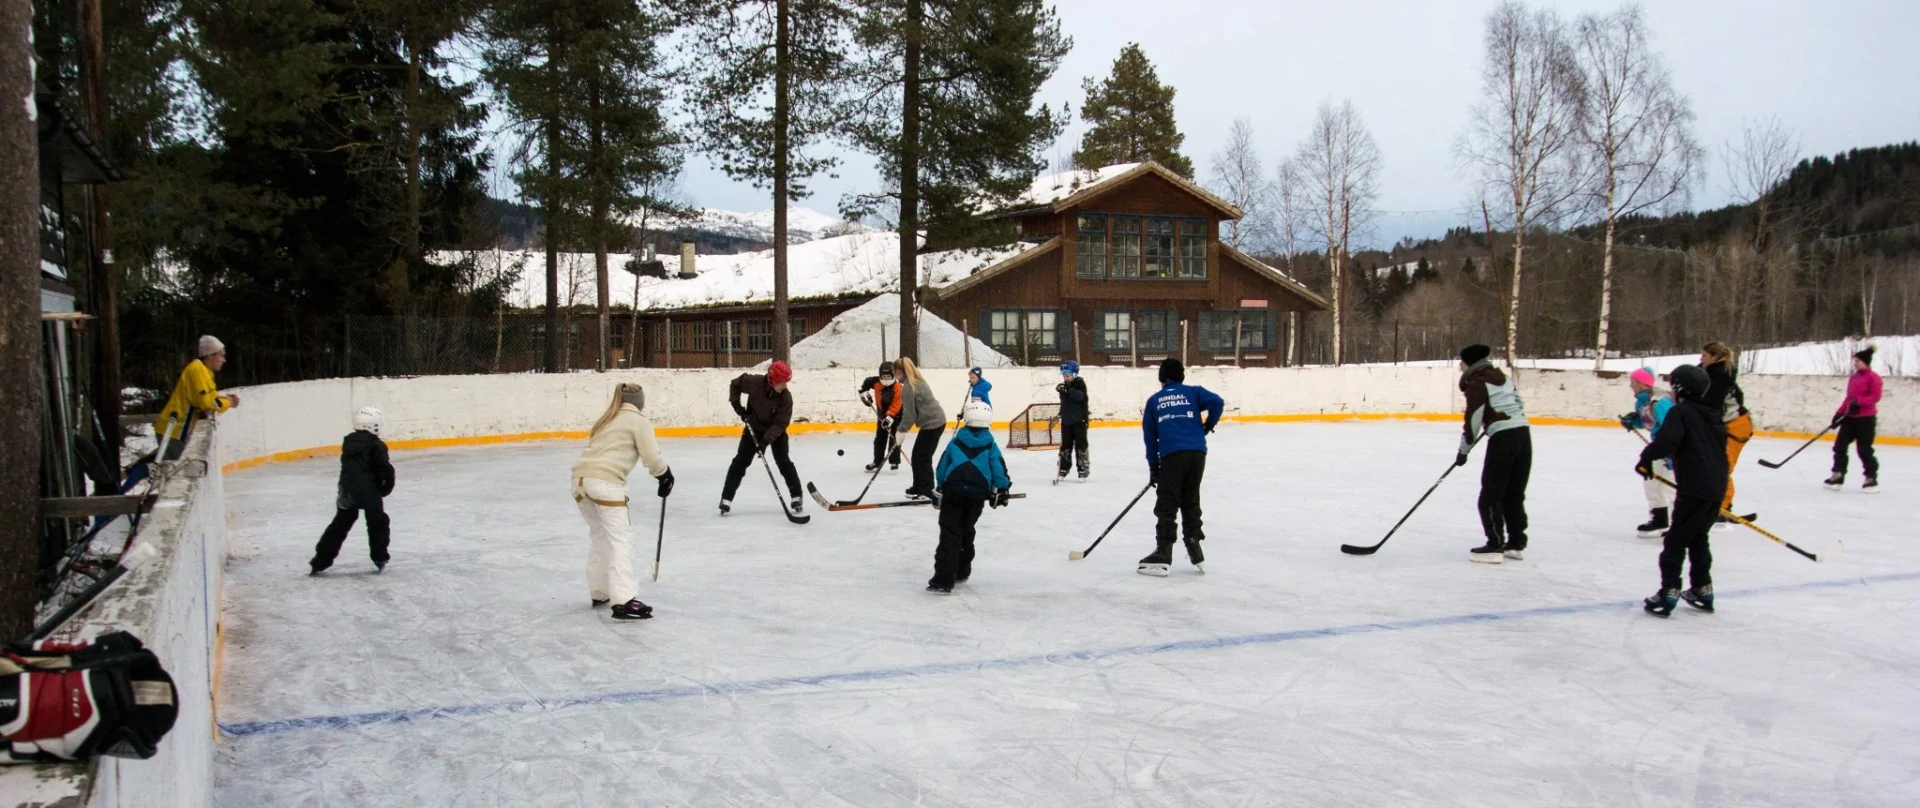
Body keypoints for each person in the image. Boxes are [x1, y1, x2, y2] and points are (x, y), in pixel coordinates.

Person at [571, 383, 673, 620]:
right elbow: (651, 456)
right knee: (620, 540)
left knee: (600, 535)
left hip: (579, 482)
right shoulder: (638, 421)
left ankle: (600, 591)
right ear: (640, 402)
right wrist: (664, 475)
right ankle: (624, 599)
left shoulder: (607, 419)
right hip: (605, 483)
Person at [1637, 364, 1728, 618]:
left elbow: (1667, 440)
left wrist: (1646, 459)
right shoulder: (1712, 414)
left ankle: (1668, 592)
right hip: (1715, 487)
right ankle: (1701, 588)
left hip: (1695, 488)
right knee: (1698, 537)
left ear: (1680, 388)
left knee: (1675, 540)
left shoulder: (1681, 413)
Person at [122, 335, 240, 492]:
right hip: (175, 429)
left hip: (175, 429)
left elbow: (209, 397)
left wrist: (224, 399)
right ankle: (127, 485)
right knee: (173, 468)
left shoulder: (204, 371)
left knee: (165, 461)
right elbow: (204, 402)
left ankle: (130, 474)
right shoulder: (197, 370)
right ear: (210, 355)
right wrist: (228, 403)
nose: (223, 360)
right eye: (221, 355)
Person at [1139, 358, 1223, 577]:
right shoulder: (1193, 392)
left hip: (1172, 455)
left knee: (1167, 503)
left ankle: (1163, 553)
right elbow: (1217, 402)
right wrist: (1208, 425)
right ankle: (1194, 545)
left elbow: (1150, 437)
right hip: (1197, 454)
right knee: (1190, 499)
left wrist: (1153, 466)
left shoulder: (1155, 401)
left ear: (1162, 378)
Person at [1457, 343, 1532, 563]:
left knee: (1490, 495)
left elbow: (1472, 422)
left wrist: (1463, 451)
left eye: (1462, 363)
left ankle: (1494, 545)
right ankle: (1516, 543)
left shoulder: (1477, 384)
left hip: (1503, 439)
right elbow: (1518, 403)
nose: (1460, 367)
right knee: (1513, 492)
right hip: (1523, 434)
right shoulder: (1503, 378)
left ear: (1469, 363)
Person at [927, 401, 1012, 594]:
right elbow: (999, 470)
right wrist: (1001, 489)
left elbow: (942, 466)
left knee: (950, 533)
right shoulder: (990, 444)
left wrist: (939, 487)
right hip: (976, 495)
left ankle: (943, 579)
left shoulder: (956, 440)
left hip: (953, 493)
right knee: (967, 529)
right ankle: (961, 570)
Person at [310, 407, 395, 575]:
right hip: (370, 491)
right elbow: (384, 469)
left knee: (339, 525)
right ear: (374, 425)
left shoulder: (348, 443)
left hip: (347, 491)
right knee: (378, 522)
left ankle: (320, 561)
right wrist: (386, 488)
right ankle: (379, 556)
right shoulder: (376, 445)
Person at [720, 361, 803, 515]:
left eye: (786, 382)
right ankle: (726, 498)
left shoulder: (785, 397)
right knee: (741, 461)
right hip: (754, 427)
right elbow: (735, 384)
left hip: (775, 433)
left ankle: (796, 495)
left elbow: (780, 423)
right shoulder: (754, 383)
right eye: (781, 382)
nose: (784, 385)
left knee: (783, 461)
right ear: (772, 380)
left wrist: (765, 441)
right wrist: (738, 407)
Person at [1619, 367, 1675, 537]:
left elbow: (1671, 427)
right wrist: (1633, 421)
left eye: (1633, 382)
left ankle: (1678, 523)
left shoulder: (1659, 402)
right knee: (1652, 481)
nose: (1630, 386)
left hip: (1669, 448)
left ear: (1642, 383)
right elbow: (1648, 422)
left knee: (1670, 487)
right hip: (1657, 447)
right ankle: (1659, 519)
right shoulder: (1641, 402)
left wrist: (1672, 452)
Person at [1698, 341, 1751, 518]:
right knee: (1714, 466)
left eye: (1704, 356)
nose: (1700, 359)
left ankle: (1724, 507)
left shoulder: (1721, 376)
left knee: (1723, 467)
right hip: (1724, 425)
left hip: (1736, 427)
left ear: (1715, 357)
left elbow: (1712, 404)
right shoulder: (1706, 373)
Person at [1826, 346, 1882, 493]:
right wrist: (1839, 414)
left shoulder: (1874, 378)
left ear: (1865, 361)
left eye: (1857, 360)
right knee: (1839, 446)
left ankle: (1871, 477)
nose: (1855, 363)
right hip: (1850, 418)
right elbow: (1849, 399)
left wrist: (1860, 402)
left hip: (1866, 419)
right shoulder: (1854, 378)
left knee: (1864, 450)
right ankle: (1838, 474)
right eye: (1854, 360)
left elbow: (1875, 397)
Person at [894, 357, 948, 499]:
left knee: (922, 457)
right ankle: (919, 486)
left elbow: (910, 415)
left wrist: (901, 430)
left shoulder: (908, 388)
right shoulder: (916, 382)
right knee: (918, 456)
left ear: (899, 371)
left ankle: (926, 490)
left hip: (933, 424)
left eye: (895, 372)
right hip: (935, 422)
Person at [859, 362, 905, 472]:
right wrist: (864, 394)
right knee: (880, 439)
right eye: (884, 376)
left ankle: (894, 461)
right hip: (882, 414)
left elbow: (896, 405)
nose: (886, 378)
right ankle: (877, 461)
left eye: (888, 376)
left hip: (897, 414)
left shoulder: (898, 388)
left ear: (893, 375)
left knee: (894, 438)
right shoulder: (875, 382)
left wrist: (889, 418)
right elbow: (865, 384)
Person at [1057, 360, 1091, 482]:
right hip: (1066, 421)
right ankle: (1064, 467)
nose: (1065, 378)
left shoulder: (1080, 384)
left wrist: (1068, 390)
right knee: (1065, 445)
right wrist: (1061, 412)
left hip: (1079, 421)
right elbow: (1065, 402)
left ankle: (1082, 468)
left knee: (1080, 445)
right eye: (1064, 375)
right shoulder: (1064, 386)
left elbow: (1080, 397)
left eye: (1068, 375)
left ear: (1075, 374)